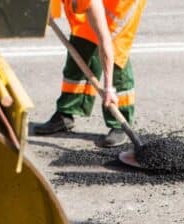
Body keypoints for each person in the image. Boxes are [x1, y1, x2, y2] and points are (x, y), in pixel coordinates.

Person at [30, 0, 146, 148]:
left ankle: (120, 121)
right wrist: (47, 8)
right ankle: (66, 112)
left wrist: (108, 88)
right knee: (81, 39)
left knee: (115, 48)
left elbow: (104, 42)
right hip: (90, 4)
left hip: (121, 4)